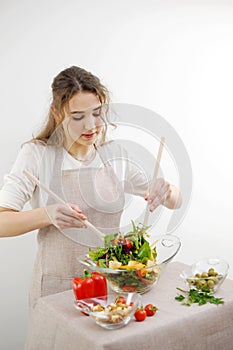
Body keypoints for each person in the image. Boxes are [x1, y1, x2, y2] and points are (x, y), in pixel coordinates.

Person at [0, 65, 181, 308]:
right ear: (56, 113)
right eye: (77, 117)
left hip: (111, 286)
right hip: (57, 288)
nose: (90, 126)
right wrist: (46, 214)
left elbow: (174, 200)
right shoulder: (36, 154)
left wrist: (168, 190)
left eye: (96, 113)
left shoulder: (114, 154)